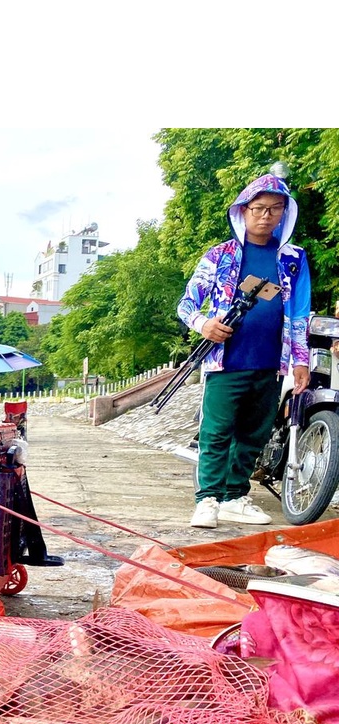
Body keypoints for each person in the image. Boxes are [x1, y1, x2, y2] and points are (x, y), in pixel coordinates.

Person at [178, 173, 310, 529]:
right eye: (258, 208)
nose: (266, 216)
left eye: (275, 209)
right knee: (217, 431)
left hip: (270, 361)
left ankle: (235, 496)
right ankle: (207, 499)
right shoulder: (220, 254)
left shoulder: (293, 259)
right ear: (243, 210)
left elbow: (299, 313)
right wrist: (204, 324)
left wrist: (300, 359)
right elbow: (187, 303)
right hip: (226, 360)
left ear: (285, 213)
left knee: (255, 432)